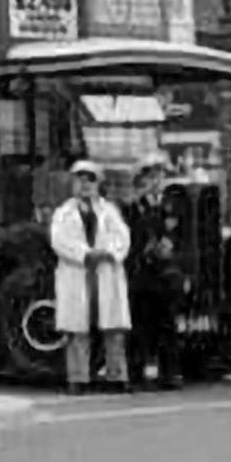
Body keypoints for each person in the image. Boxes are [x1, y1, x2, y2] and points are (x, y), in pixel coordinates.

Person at [50, 158, 132, 395]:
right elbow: (59, 241)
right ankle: (78, 379)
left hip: (105, 272)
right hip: (78, 273)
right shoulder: (63, 213)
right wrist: (86, 254)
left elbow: (123, 238)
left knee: (113, 329)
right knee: (77, 331)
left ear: (98, 185)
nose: (85, 185)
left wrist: (110, 253)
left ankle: (117, 377)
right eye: (80, 180)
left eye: (90, 180)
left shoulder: (110, 211)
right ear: (73, 183)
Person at [123, 154, 185, 390]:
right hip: (140, 273)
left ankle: (170, 372)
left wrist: (169, 244)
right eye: (151, 176)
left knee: (166, 324)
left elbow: (176, 233)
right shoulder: (132, 207)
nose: (156, 180)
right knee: (139, 324)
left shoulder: (169, 206)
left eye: (160, 175)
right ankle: (136, 373)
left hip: (163, 274)